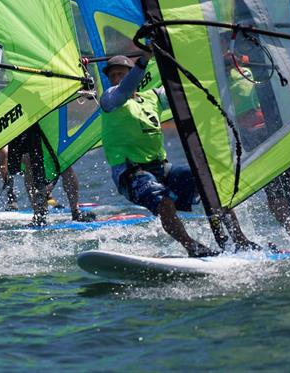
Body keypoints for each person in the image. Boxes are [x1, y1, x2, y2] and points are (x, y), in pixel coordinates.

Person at [100, 53, 259, 257]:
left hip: (162, 169)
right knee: (164, 202)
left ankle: (240, 240)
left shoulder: (153, 97)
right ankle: (191, 246)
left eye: (121, 74)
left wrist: (220, 71)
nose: (117, 79)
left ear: (134, 75)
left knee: (212, 184)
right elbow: (123, 90)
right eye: (113, 76)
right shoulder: (109, 100)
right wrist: (143, 61)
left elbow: (186, 91)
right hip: (131, 174)